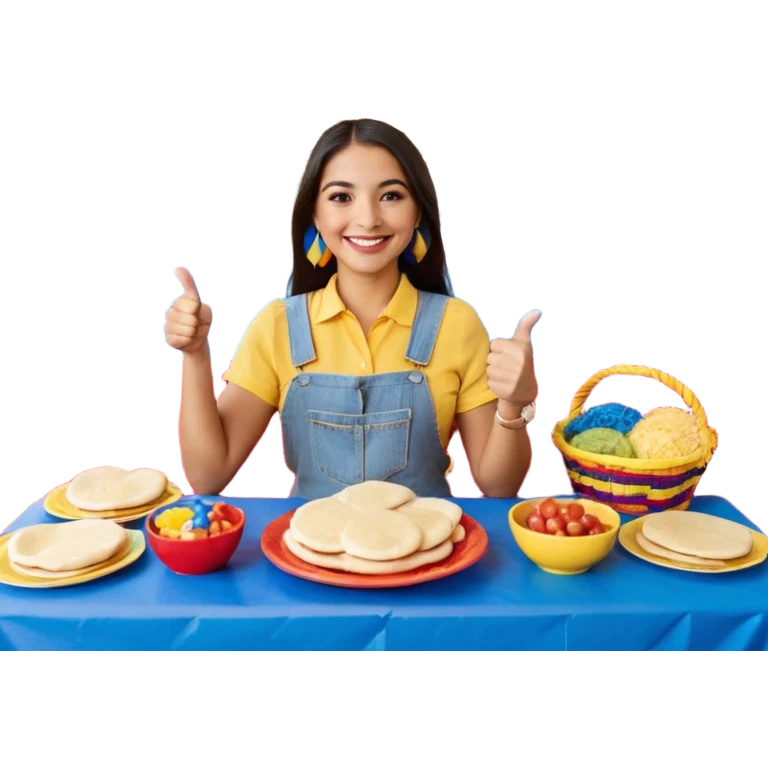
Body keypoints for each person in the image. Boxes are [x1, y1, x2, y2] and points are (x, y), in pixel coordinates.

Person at [163, 117, 542, 501]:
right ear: (315, 213)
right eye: (341, 197)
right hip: (308, 554)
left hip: (427, 552)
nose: (368, 219)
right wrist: (195, 355)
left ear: (418, 213)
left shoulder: (456, 324)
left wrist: (513, 404)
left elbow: (500, 486)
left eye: (391, 195)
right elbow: (208, 476)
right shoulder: (277, 327)